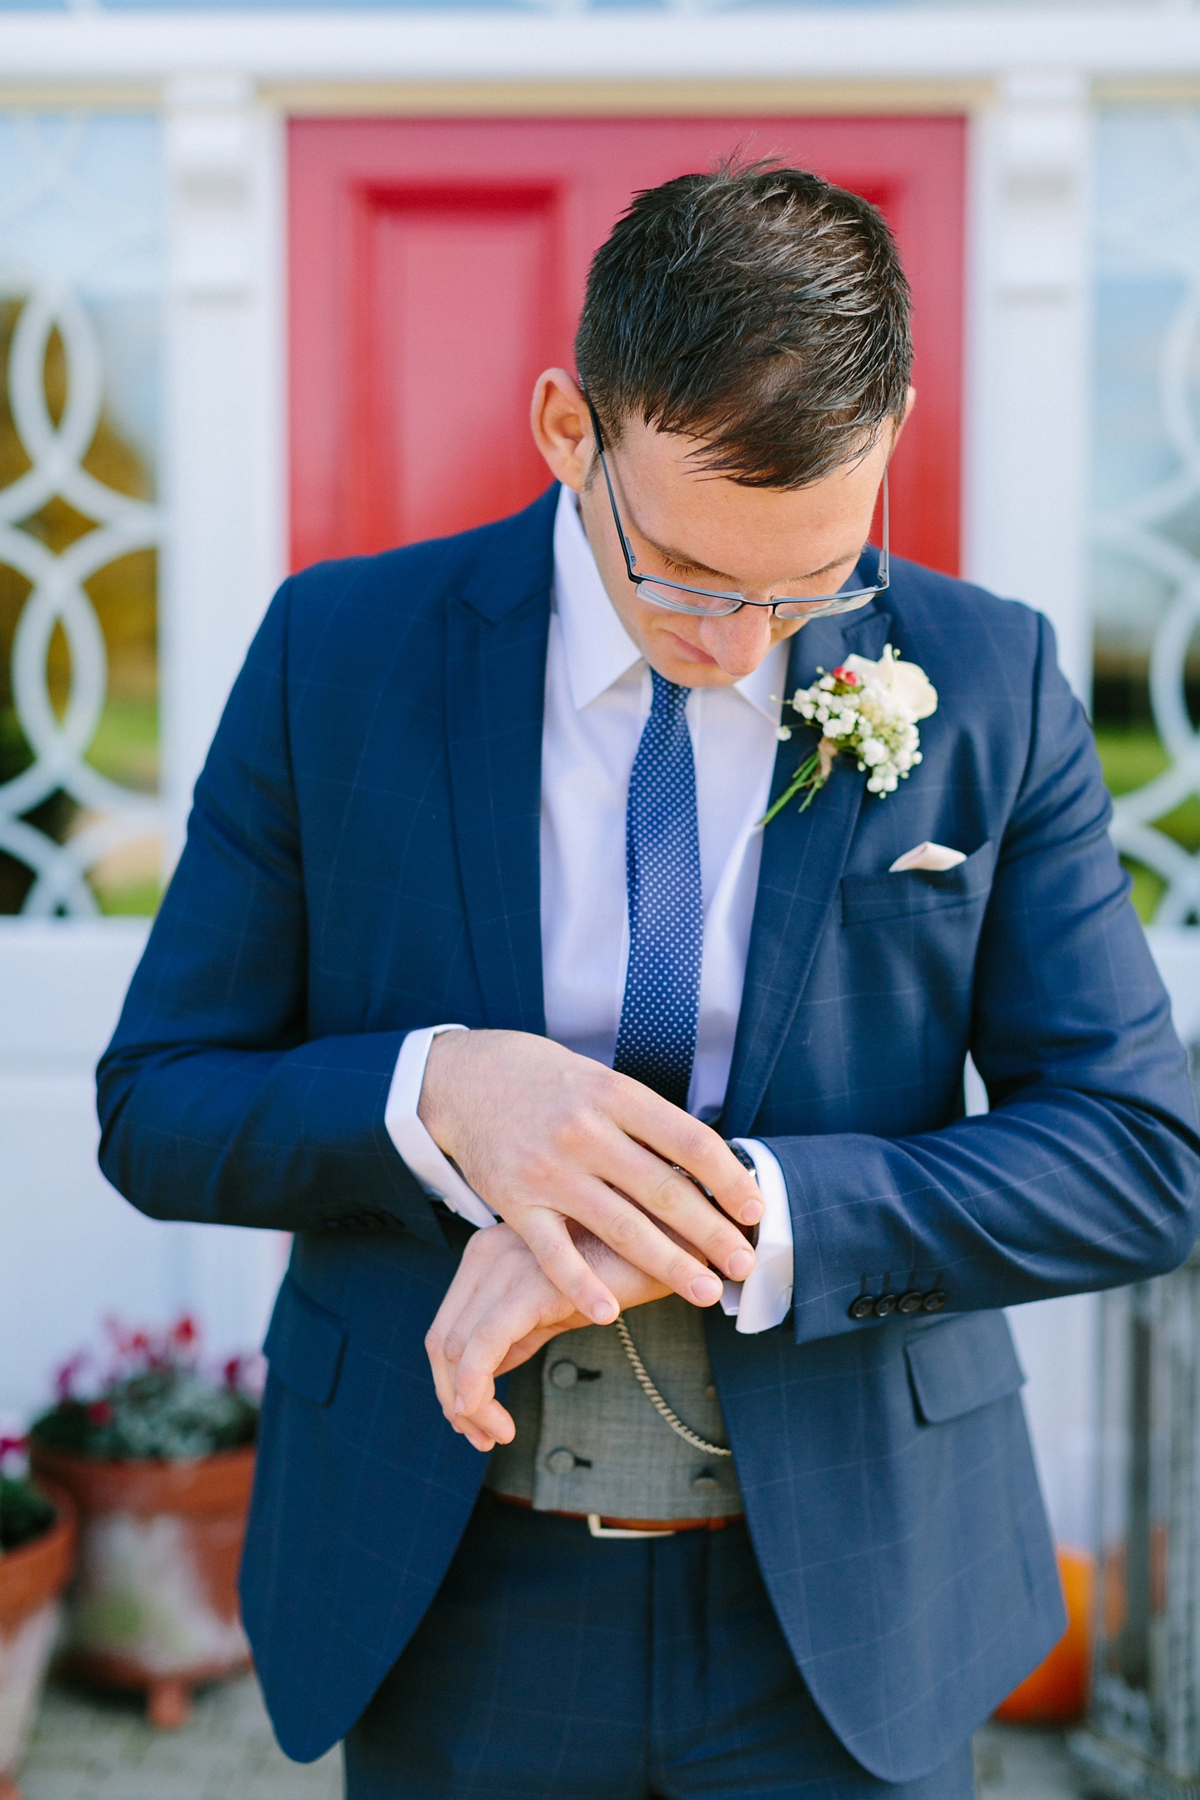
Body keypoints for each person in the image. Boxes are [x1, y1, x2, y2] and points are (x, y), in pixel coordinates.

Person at [97, 162, 1200, 1800]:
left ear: (891, 433)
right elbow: (158, 1104)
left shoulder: (990, 679)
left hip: (848, 1602)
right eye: (684, 571)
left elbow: (1141, 1156)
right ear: (567, 426)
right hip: (453, 1585)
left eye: (809, 579)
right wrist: (437, 1094)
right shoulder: (335, 655)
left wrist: (737, 1213)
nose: (743, 642)